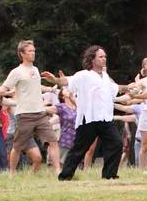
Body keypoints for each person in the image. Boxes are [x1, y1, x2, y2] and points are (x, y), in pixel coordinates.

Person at [0, 40, 61, 176]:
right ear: (22, 54)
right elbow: (4, 88)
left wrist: (51, 89)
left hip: (40, 113)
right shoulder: (16, 72)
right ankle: (12, 173)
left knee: (53, 140)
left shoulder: (35, 70)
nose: (33, 53)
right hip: (25, 115)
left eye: (33, 50)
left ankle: (58, 171)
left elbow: (36, 86)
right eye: (30, 51)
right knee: (17, 147)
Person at [41, 46, 125, 179]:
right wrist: (55, 80)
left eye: (105, 57)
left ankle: (109, 176)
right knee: (79, 150)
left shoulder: (105, 77)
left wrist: (130, 88)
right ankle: (65, 176)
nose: (104, 59)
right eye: (101, 57)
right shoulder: (84, 75)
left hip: (104, 119)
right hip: (88, 119)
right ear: (92, 59)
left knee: (116, 143)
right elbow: (66, 81)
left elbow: (115, 88)